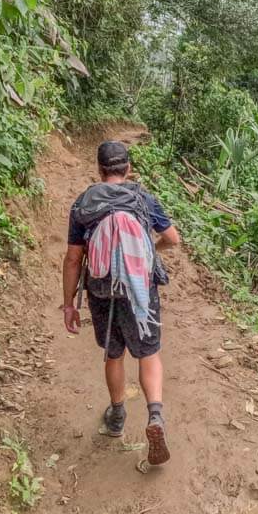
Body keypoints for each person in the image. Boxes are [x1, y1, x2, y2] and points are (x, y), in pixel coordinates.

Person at [61, 140, 180, 466]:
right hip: (140, 288)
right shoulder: (142, 197)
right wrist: (149, 251)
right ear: (128, 169)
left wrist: (69, 303)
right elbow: (173, 238)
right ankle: (155, 415)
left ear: (99, 170)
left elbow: (73, 259)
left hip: (101, 290)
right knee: (149, 353)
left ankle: (116, 416)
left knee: (114, 354)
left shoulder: (84, 202)